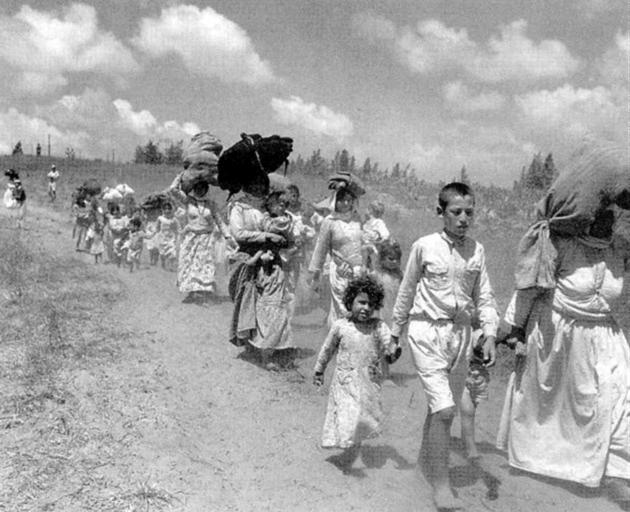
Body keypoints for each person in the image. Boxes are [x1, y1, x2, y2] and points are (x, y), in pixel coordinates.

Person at [496, 142, 630, 506]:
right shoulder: (560, 245)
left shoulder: (619, 249)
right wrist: (512, 328)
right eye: (600, 210)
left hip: (604, 338)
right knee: (549, 410)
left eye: (612, 212)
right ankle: (540, 465)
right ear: (585, 213)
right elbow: (528, 288)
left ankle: (618, 472)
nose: (606, 217)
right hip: (557, 337)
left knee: (617, 398)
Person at [390, 182, 498, 510]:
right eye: (456, 212)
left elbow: (485, 297)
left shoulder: (476, 251)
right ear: (441, 213)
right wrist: (395, 332)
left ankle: (427, 461)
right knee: (446, 409)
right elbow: (407, 289)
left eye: (469, 212)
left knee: (440, 408)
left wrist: (490, 333)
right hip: (426, 332)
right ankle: (441, 485)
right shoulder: (424, 246)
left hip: (461, 337)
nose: (464, 218)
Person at [313, 275, 401, 475]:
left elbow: (389, 343)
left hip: (369, 381)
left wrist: (393, 351)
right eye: (361, 302)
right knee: (348, 415)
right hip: (344, 381)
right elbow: (327, 349)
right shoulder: (341, 326)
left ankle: (349, 456)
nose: (366, 308)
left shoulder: (378, 326)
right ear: (350, 301)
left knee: (362, 420)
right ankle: (348, 454)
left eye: (371, 304)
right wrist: (319, 369)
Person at [228, 173, 294, 369]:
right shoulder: (238, 208)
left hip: (271, 264)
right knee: (248, 303)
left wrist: (281, 235)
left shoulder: (268, 209)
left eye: (261, 185)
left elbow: (285, 238)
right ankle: (251, 343)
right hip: (247, 260)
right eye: (254, 184)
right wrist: (266, 236)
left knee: (271, 305)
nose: (258, 188)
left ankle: (268, 350)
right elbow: (238, 234)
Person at [168, 134, 233, 304]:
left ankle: (204, 293)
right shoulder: (188, 201)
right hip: (190, 238)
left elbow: (219, 221)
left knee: (205, 264)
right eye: (197, 188)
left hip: (206, 239)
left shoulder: (211, 205)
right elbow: (173, 191)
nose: (200, 191)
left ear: (206, 189)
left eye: (203, 188)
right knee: (188, 263)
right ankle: (191, 292)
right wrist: (182, 175)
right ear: (194, 189)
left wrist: (228, 236)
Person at [308, 178, 366, 328]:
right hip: (340, 271)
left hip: (358, 272)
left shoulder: (357, 219)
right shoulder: (330, 221)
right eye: (342, 200)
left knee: (358, 309)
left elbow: (362, 243)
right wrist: (315, 273)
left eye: (349, 200)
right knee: (342, 309)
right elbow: (321, 248)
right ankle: (337, 342)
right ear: (335, 201)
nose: (346, 204)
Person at [372, 239, 403, 379]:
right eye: (391, 259)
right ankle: (384, 373)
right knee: (381, 344)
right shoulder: (378, 275)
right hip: (380, 313)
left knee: (391, 343)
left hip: (394, 313)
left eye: (397, 259)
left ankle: (383, 366)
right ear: (382, 258)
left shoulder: (399, 275)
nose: (394, 262)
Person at [362, 200, 390, 269]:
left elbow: (386, 235)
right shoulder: (365, 223)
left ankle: (364, 267)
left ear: (371, 211)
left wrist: (377, 242)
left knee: (365, 249)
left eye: (367, 209)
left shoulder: (378, 223)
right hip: (362, 246)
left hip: (371, 248)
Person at [157, 202, 180, 271]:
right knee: (162, 254)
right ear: (163, 210)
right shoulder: (160, 218)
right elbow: (157, 227)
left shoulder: (174, 219)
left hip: (171, 238)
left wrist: (179, 234)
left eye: (168, 209)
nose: (167, 210)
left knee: (173, 253)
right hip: (162, 238)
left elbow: (178, 228)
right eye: (165, 209)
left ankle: (171, 266)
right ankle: (163, 263)